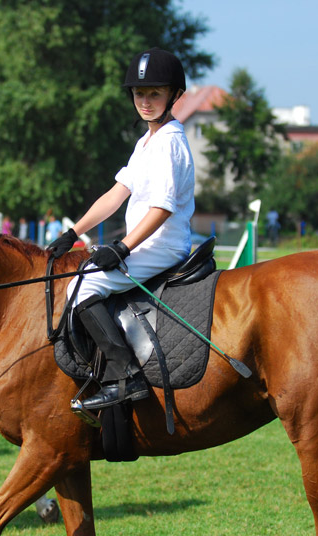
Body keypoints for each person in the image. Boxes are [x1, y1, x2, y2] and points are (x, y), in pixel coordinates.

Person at [47, 48, 194, 411]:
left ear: (174, 96)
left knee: (84, 287)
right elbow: (115, 196)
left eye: (154, 93)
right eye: (139, 94)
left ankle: (124, 377)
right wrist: (73, 232)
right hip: (144, 243)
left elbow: (162, 208)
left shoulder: (169, 142)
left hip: (162, 245)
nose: (145, 101)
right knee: (83, 274)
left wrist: (124, 248)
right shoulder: (145, 143)